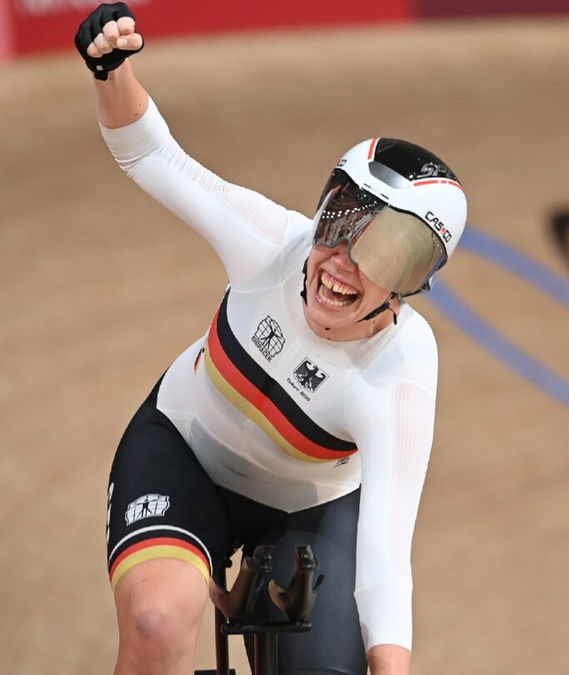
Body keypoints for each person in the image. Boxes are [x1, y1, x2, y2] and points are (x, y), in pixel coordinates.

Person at [76, 4, 468, 673]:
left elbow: (384, 554)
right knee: (156, 619)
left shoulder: (400, 367)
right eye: (340, 224)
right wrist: (112, 71)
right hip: (186, 452)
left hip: (309, 512)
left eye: (385, 257)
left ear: (409, 288)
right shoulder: (269, 243)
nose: (345, 262)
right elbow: (151, 153)